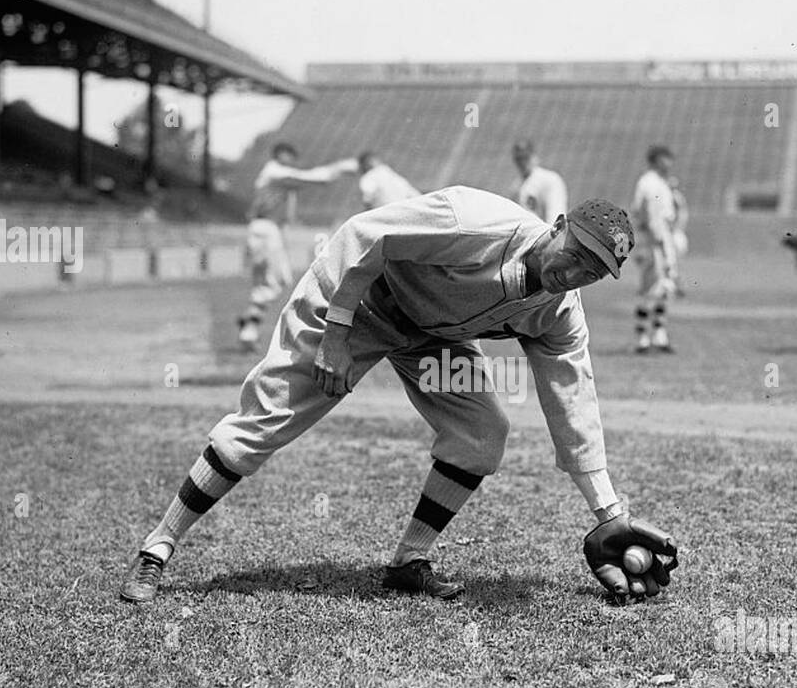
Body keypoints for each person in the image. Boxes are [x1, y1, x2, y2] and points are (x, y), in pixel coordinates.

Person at [119, 187, 678, 606]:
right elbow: (366, 237)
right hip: (358, 302)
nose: (575, 273)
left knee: (482, 434)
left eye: (594, 271)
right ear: (558, 226)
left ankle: (409, 560)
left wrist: (609, 514)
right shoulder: (477, 222)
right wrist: (335, 334)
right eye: (577, 252)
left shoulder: (559, 313)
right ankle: (157, 548)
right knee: (264, 423)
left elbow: (573, 404)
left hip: (430, 338)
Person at [239, 142, 357, 351]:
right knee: (276, 280)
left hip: (262, 229)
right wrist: (341, 167)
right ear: (280, 154)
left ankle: (249, 325)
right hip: (266, 230)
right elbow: (315, 178)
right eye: (289, 155)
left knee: (268, 282)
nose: (292, 160)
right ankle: (249, 327)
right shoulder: (275, 172)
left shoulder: (274, 174)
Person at [630, 145, 680, 353]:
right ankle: (643, 337)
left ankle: (658, 334)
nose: (669, 163)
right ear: (657, 160)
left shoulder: (659, 182)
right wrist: (659, 241)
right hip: (654, 241)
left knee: (661, 289)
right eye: (665, 158)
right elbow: (650, 215)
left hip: (657, 239)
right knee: (653, 288)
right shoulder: (650, 183)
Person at [511, 139, 569, 222]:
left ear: (534, 157)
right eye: (519, 159)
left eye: (525, 158)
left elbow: (556, 215)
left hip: (546, 232)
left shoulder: (550, 179)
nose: (522, 162)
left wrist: (552, 233)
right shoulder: (516, 186)